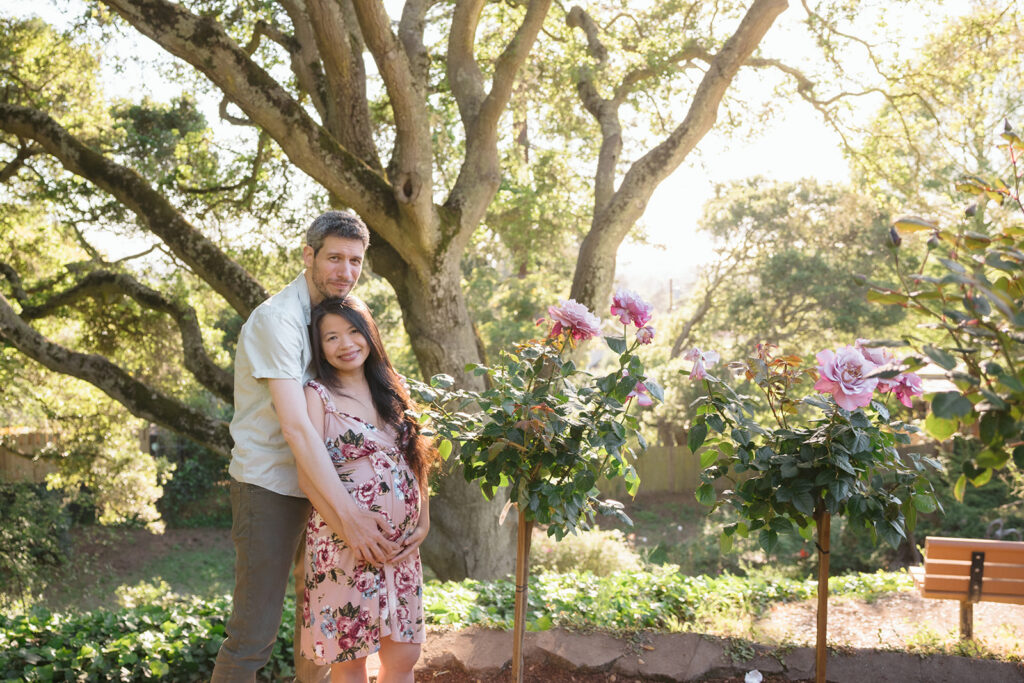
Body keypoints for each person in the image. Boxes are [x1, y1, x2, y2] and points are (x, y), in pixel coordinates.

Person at [214, 211, 409, 682]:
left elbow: (372, 396)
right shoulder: (277, 321)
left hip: (329, 488)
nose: (345, 271)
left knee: (323, 630)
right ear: (309, 255)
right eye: (335, 258)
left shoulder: (341, 316)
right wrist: (350, 516)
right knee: (252, 635)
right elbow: (298, 430)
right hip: (271, 488)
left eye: (355, 261)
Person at [301, 296, 437, 682]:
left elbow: (418, 459)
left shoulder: (396, 389)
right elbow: (309, 476)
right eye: (331, 337)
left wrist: (423, 522)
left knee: (404, 657)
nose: (346, 344)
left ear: (370, 334)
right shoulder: (317, 396)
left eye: (354, 331)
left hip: (401, 548)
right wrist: (352, 531)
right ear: (320, 346)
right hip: (343, 545)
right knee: (350, 662)